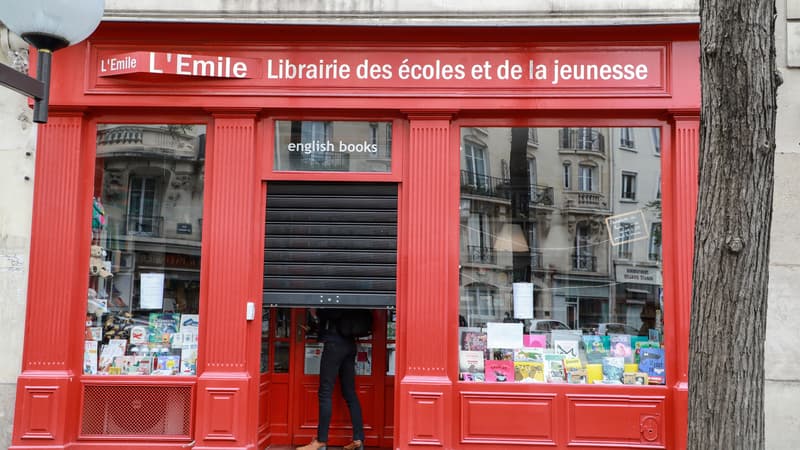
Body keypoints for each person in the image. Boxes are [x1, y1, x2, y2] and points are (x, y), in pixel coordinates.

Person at [297, 308, 366, 450]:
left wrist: (315, 312)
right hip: (350, 345)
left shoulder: (334, 300)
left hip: (334, 345)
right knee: (350, 394)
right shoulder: (353, 299)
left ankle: (321, 440)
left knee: (325, 393)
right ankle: (358, 439)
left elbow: (331, 313)